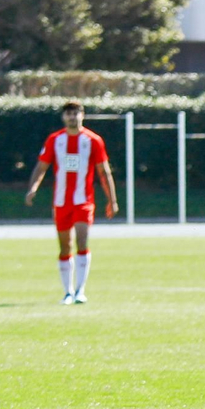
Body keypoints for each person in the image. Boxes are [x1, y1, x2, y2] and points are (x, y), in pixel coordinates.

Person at [25, 101, 118, 305]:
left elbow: (104, 171)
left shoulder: (93, 140)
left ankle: (80, 291)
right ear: (63, 117)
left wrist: (112, 199)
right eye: (68, 114)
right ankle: (67, 292)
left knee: (82, 240)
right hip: (61, 202)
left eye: (75, 113)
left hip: (84, 201)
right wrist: (33, 188)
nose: (72, 117)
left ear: (82, 115)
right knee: (65, 246)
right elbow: (41, 167)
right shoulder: (55, 140)